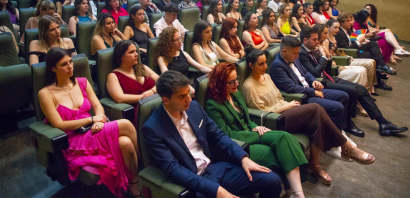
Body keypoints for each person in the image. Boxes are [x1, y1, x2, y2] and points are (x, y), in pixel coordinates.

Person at [241, 47, 376, 184]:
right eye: (261, 64)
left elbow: (279, 96)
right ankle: (346, 146)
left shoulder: (267, 77)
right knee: (316, 109)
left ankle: (315, 165)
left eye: (265, 62)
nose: (265, 66)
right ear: (251, 65)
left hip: (287, 110)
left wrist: (288, 105)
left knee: (316, 121)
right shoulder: (248, 86)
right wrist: (286, 106)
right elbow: (262, 111)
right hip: (275, 120)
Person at [142, 70, 282, 198]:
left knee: (273, 181)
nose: (189, 99)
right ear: (165, 100)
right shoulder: (153, 128)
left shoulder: (194, 108)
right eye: (182, 97)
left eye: (188, 93)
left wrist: (243, 158)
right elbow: (173, 169)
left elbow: (218, 135)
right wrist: (217, 190)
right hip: (194, 182)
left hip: (216, 167)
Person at [38, 48, 141, 197]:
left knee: (125, 142)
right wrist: (92, 119)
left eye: (70, 62)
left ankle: (134, 183)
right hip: (73, 139)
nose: (70, 67)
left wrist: (99, 119)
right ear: (53, 68)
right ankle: (149, 165)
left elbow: (98, 106)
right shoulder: (45, 93)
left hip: (93, 130)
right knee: (125, 124)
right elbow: (59, 124)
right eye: (64, 64)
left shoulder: (82, 82)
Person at [206, 63, 308, 196]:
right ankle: (291, 190)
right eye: (231, 82)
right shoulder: (212, 105)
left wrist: (256, 127)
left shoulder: (235, 94)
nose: (236, 84)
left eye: (236, 79)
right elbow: (226, 134)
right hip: (240, 145)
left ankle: (297, 192)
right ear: (220, 83)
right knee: (274, 152)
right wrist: (254, 135)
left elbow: (247, 120)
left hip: (252, 133)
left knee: (286, 137)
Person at [299, 27, 408, 136]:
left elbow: (326, 70)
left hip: (328, 77)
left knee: (361, 88)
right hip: (319, 83)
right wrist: (323, 57)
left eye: (317, 39)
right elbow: (315, 73)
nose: (317, 42)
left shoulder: (314, 49)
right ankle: (348, 123)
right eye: (314, 39)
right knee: (352, 91)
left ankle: (382, 122)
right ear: (305, 40)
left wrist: (327, 56)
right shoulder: (302, 53)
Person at [326, 19, 380, 103]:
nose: (337, 30)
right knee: (363, 69)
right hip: (337, 61)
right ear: (328, 27)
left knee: (371, 61)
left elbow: (337, 51)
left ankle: (367, 92)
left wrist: (345, 55)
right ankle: (361, 98)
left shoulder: (333, 37)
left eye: (338, 28)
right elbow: (330, 55)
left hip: (341, 58)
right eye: (335, 27)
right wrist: (343, 56)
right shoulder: (326, 40)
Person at [106, 40, 158, 112]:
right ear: (122, 57)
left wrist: (152, 91)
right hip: (139, 111)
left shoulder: (142, 67)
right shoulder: (113, 76)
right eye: (131, 52)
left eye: (136, 51)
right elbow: (120, 98)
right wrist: (143, 97)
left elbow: (160, 80)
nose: (136, 54)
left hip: (157, 103)